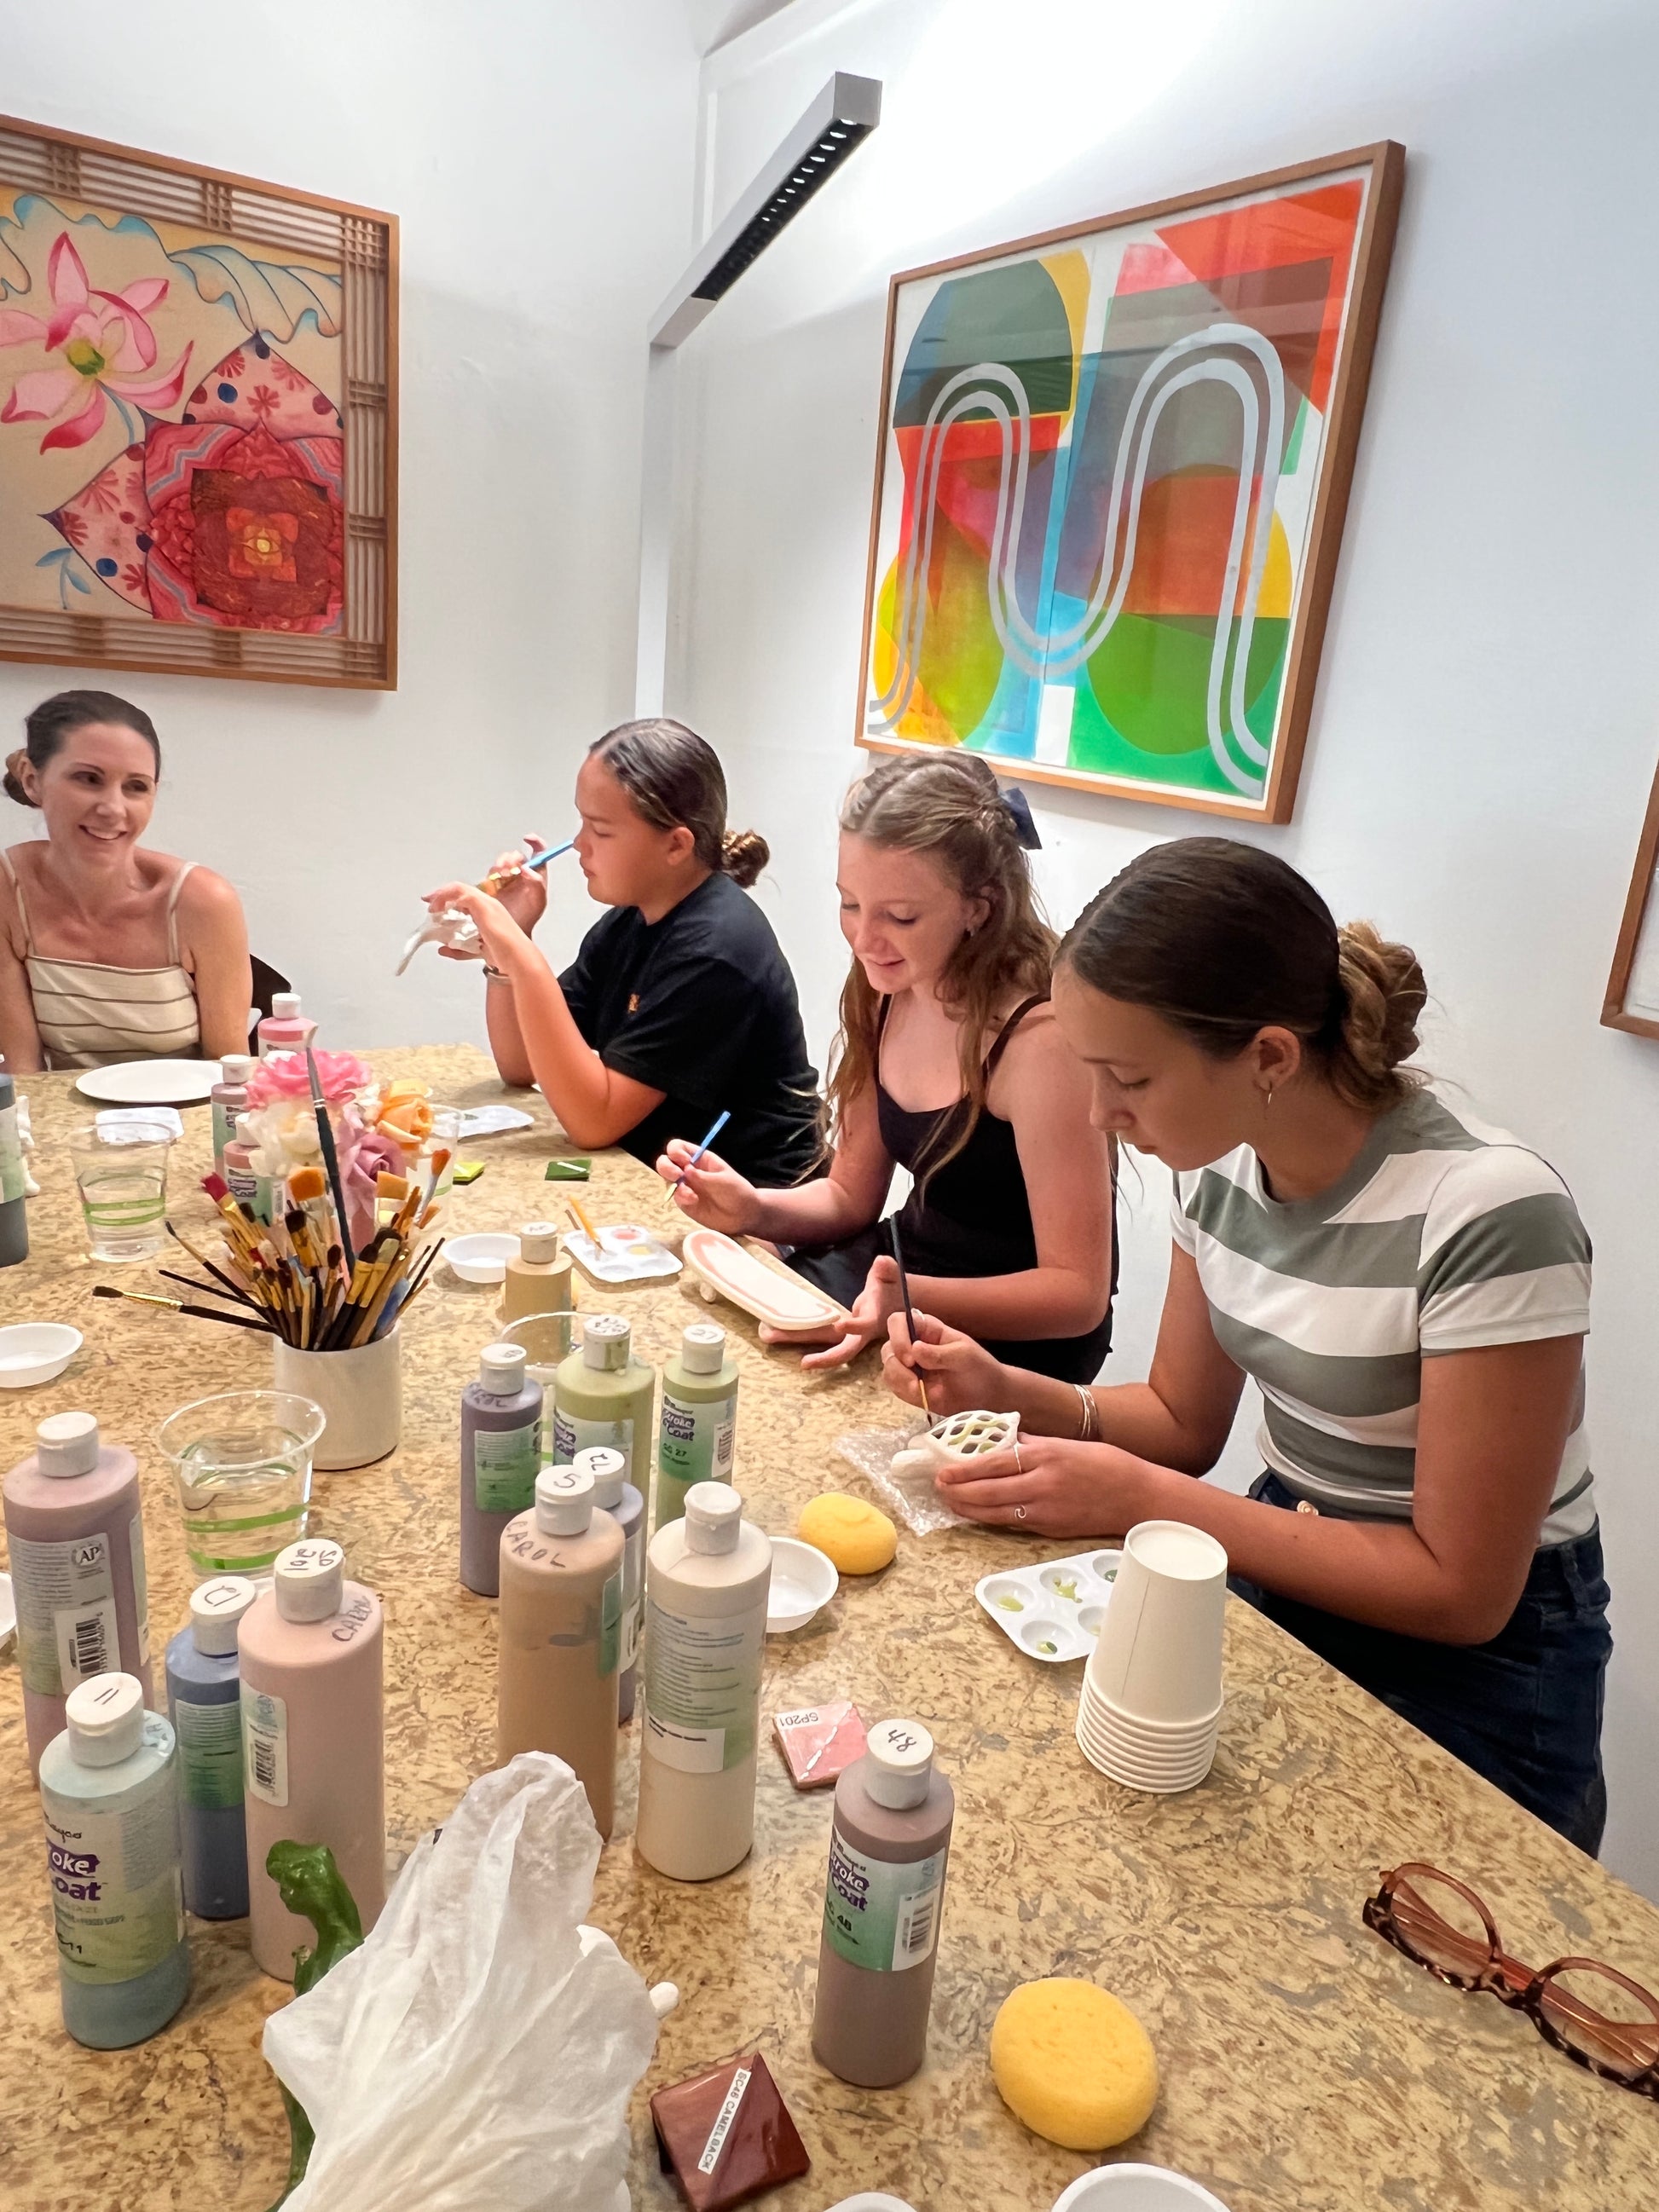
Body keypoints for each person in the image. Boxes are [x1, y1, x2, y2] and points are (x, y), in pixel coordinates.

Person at [882, 838, 1610, 1852]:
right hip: (1283, 1555)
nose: (1099, 1114)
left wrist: (1140, 1499)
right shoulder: (1220, 1169)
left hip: (1482, 1664)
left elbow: (1460, 1589)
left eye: (1126, 1076)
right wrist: (1005, 1385)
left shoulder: (1487, 1209)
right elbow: (1181, 1422)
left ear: (1268, 1056)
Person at [661, 753, 1115, 1380]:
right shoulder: (887, 988)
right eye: (850, 904)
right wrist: (753, 1208)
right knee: (708, 1351)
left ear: (978, 908)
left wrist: (909, 1296)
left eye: (900, 916)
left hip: (1008, 1340)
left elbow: (1076, 1295)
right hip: (898, 1278)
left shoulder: (1041, 1042)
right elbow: (850, 1194)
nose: (864, 938)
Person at [425, 717, 819, 1182]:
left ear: (676, 845)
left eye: (601, 830)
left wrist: (518, 954)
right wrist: (509, 945)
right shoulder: (632, 921)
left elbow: (593, 1121)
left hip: (758, 1208)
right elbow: (521, 1064)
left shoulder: (715, 949)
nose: (578, 845)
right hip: (655, 1175)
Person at [0, 690, 251, 1071]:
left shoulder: (202, 901)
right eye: (88, 779)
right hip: (61, 1125)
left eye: (136, 786)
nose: (112, 809)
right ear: (33, 781)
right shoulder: (8, 889)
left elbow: (229, 1073)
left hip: (188, 1122)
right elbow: (22, 1077)